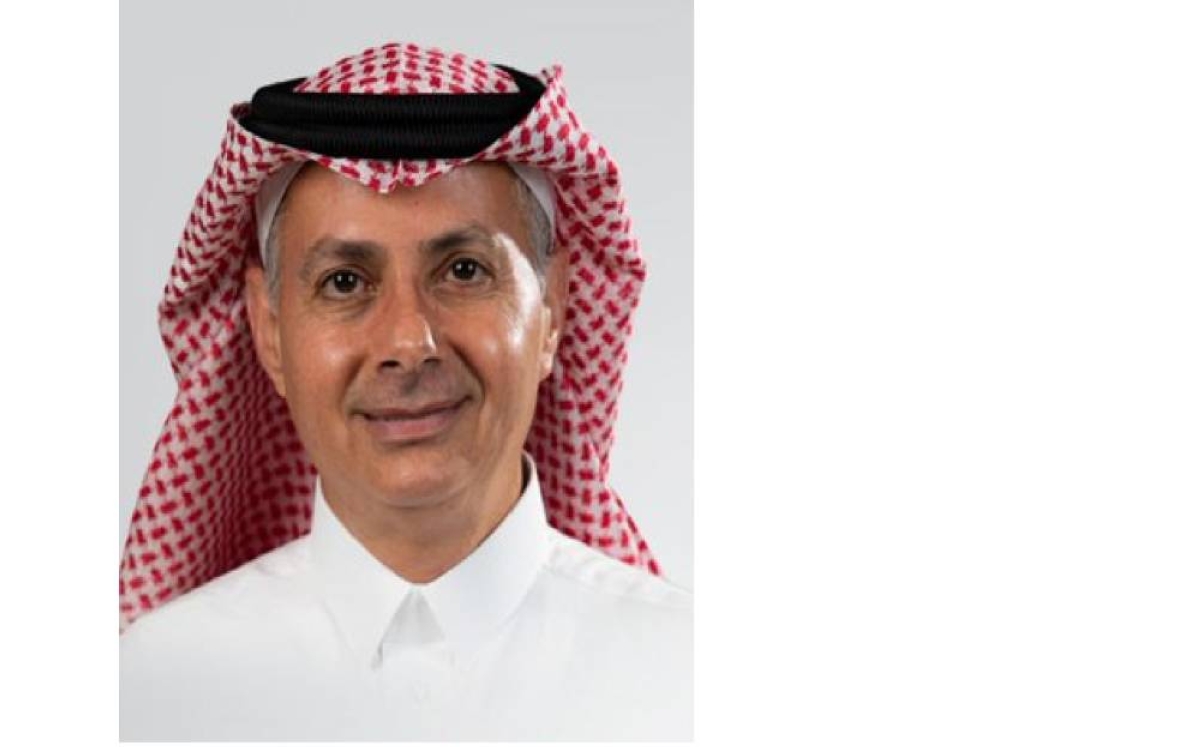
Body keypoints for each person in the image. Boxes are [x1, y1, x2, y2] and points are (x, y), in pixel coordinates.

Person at [118, 42, 691, 741]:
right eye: (344, 283)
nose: (408, 343)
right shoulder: (148, 691)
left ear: (552, 309)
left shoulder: (690, 682)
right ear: (270, 331)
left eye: (464, 270)